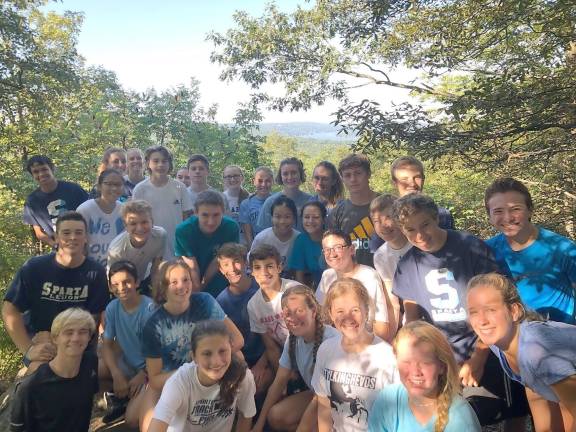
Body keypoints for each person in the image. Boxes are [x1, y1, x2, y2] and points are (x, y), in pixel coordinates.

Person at [391, 193, 529, 429]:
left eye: (425, 224)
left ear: (435, 218)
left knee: (509, 412)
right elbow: (412, 318)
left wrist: (478, 358)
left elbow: (494, 306)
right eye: (410, 230)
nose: (420, 235)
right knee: (457, 419)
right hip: (444, 356)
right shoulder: (407, 264)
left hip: (487, 347)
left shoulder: (470, 247)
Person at [139, 259, 243, 431]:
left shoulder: (205, 301)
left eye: (186, 279)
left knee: (239, 357)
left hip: (209, 369)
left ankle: (235, 409)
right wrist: (195, 368)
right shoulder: (153, 324)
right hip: (172, 377)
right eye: (174, 282)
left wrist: (212, 363)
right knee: (145, 425)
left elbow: (238, 340)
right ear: (163, 287)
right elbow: (156, 379)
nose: (181, 286)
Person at [467, 273, 576, 432]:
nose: (482, 320)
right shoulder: (499, 344)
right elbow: (536, 393)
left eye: (491, 309)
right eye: (473, 312)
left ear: (514, 311)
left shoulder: (536, 350)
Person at [2, 211, 108, 373]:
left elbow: (93, 319)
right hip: (41, 345)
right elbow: (9, 310)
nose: (72, 237)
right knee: (38, 374)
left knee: (104, 373)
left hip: (77, 343)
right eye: (66, 233)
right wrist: (29, 350)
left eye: (78, 233)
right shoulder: (35, 268)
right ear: (57, 237)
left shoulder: (96, 272)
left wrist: (59, 340)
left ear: (86, 237)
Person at [484, 177, 576, 324]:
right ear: (489, 217)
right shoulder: (485, 251)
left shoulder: (562, 248)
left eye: (515, 209)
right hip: (513, 339)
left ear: (530, 210)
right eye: (498, 211)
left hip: (560, 338)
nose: (507, 217)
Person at [312, 278, 399, 432]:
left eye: (355, 310)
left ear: (367, 311)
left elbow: (397, 414)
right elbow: (324, 404)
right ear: (331, 315)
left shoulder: (387, 357)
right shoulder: (326, 350)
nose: (348, 318)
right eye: (340, 311)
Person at [252, 285, 340, 432]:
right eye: (287, 313)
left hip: (337, 401)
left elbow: (325, 398)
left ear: (313, 311)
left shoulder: (331, 341)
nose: (292, 318)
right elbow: (279, 382)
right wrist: (259, 425)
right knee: (275, 416)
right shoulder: (293, 339)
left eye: (299, 311)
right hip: (316, 395)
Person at [369, 321, 481, 432]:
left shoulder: (460, 417)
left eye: (425, 363)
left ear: (442, 366)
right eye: (406, 362)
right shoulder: (388, 400)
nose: (415, 372)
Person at [148, 320, 256, 432]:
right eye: (207, 354)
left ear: (231, 348)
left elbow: (246, 415)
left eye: (222, 351)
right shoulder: (179, 382)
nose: (216, 362)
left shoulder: (241, 376)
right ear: (193, 357)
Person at [10, 308, 99, 432]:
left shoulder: (90, 365)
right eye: (68, 332)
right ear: (55, 338)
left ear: (89, 337)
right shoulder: (31, 387)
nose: (75, 338)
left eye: (83, 332)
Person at [100, 260, 155, 425]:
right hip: (130, 364)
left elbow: (163, 351)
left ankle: (136, 400)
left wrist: (143, 375)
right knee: (95, 369)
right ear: (110, 287)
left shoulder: (150, 309)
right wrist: (116, 374)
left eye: (126, 282)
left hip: (152, 369)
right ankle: (120, 398)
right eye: (115, 284)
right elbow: (107, 345)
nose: (121, 288)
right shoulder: (113, 308)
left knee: (132, 420)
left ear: (137, 282)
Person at [316, 229, 395, 342]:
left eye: (338, 247)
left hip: (363, 340)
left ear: (352, 249)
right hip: (334, 340)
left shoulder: (368, 275)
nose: (332, 254)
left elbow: (381, 325)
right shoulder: (327, 275)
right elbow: (320, 314)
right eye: (327, 250)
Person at [215, 243, 271, 395]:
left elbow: (277, 334)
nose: (232, 268)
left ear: (245, 263)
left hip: (267, 356)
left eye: (236, 261)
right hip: (240, 359)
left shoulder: (262, 289)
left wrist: (261, 364)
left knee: (256, 386)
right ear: (221, 270)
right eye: (226, 264)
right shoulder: (221, 302)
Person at [369, 156, 456, 252]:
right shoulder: (384, 223)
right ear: (394, 183)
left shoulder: (442, 215)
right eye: (404, 179)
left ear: (423, 179)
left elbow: (452, 249)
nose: (412, 184)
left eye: (417, 177)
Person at [175, 190, 240, 297]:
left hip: (220, 282)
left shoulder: (231, 227)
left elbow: (218, 261)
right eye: (205, 215)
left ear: (223, 212)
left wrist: (202, 286)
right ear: (196, 212)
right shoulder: (184, 230)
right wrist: (197, 290)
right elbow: (192, 266)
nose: (211, 221)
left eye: (216, 215)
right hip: (191, 280)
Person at [247, 245, 299, 376]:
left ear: (279, 268)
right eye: (257, 267)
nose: (263, 272)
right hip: (285, 356)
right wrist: (283, 379)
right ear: (251, 271)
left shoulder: (294, 290)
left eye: (269, 266)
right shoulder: (253, 305)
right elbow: (271, 348)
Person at [132, 145, 193, 254]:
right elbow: (136, 220)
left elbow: (187, 218)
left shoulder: (180, 187)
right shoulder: (140, 189)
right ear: (148, 163)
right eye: (156, 161)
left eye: (164, 161)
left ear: (169, 164)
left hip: (176, 246)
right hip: (149, 247)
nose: (160, 164)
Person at [23, 155, 89, 247]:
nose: (41, 174)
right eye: (36, 172)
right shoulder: (32, 201)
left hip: (85, 244)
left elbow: (91, 216)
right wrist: (54, 244)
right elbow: (38, 232)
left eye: (44, 169)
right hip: (60, 250)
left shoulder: (74, 190)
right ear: (32, 175)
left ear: (52, 169)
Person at [108, 200, 170, 296]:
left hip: (145, 279)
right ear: (125, 226)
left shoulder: (160, 236)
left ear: (152, 222)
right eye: (133, 224)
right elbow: (114, 282)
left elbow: (156, 267)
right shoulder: (116, 249)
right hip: (123, 285)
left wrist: (156, 293)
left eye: (144, 222)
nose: (140, 228)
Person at [327, 154, 379, 267]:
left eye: (358, 173)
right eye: (347, 175)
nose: (353, 179)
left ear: (368, 174)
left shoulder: (385, 205)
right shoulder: (337, 213)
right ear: (342, 178)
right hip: (351, 276)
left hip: (386, 274)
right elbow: (332, 251)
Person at [371, 194, 410, 328]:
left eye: (389, 217)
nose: (383, 225)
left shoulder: (418, 243)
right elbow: (393, 302)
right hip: (409, 315)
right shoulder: (381, 256)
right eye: (377, 221)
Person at [77, 168, 125, 266]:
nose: (114, 188)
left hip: (117, 268)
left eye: (118, 184)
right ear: (99, 186)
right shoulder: (85, 209)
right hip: (90, 267)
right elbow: (78, 241)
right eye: (109, 184)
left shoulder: (124, 210)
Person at [257, 157, 312, 232]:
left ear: (301, 174)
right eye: (285, 174)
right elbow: (264, 233)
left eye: (294, 173)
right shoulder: (271, 202)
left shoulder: (311, 201)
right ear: (281, 177)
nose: (290, 177)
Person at [251, 196, 300, 270]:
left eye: (287, 217)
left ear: (294, 218)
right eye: (278, 217)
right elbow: (252, 263)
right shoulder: (261, 238)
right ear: (271, 217)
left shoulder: (300, 239)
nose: (282, 221)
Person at [287, 201, 327, 288]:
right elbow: (299, 275)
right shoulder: (301, 240)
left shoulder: (332, 239)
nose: (310, 221)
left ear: (324, 220)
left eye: (316, 217)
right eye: (306, 217)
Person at [239, 166, 274, 247]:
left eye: (268, 181)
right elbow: (248, 234)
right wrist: (253, 250)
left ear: (273, 182)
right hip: (257, 247)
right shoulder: (246, 204)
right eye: (260, 181)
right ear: (253, 181)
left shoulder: (278, 201)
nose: (264, 184)